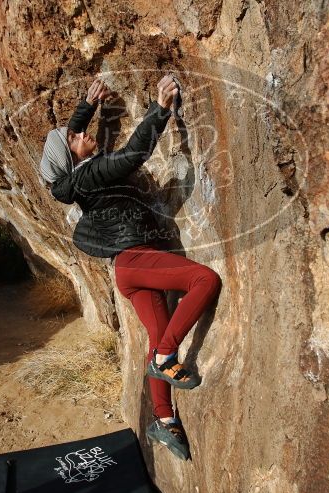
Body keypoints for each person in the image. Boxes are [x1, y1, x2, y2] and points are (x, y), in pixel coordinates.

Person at [39, 74, 221, 460]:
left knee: (157, 334)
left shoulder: (74, 174)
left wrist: (86, 108)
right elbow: (134, 154)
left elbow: (68, 136)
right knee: (205, 279)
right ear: (72, 155)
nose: (84, 134)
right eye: (77, 137)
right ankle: (165, 358)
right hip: (137, 259)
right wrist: (160, 109)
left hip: (128, 270)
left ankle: (163, 420)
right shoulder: (88, 173)